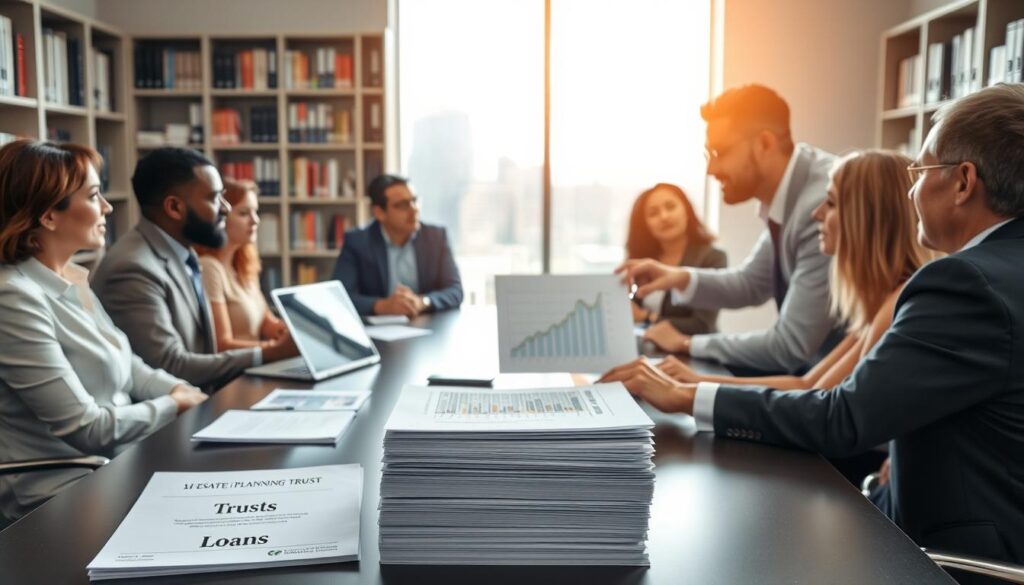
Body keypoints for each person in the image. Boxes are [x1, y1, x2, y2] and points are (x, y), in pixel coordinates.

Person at [602, 84, 1024, 564]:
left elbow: (843, 416)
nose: (911, 191)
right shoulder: (999, 272)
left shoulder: (962, 282)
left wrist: (687, 395)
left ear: (964, 182)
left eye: (920, 171)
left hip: (959, 560)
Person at [0, 140, 207, 523]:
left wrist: (180, 390)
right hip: (54, 498)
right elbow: (85, 427)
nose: (108, 207)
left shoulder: (71, 278)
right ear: (48, 216)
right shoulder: (13, 298)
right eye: (95, 196)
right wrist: (174, 405)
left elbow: (128, 365)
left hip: (109, 469)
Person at [658, 150, 931, 392]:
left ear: (869, 220)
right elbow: (808, 386)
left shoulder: (896, 306)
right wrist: (696, 383)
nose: (817, 214)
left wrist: (691, 390)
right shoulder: (877, 308)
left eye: (832, 203)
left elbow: (824, 412)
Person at [624, 84, 840, 375]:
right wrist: (677, 278)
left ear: (764, 144)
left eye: (720, 152)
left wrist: (688, 343)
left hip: (838, 391)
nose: (711, 169)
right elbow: (751, 283)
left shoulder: (817, 205)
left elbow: (790, 345)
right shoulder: (788, 195)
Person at [91, 148, 296, 391]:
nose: (225, 208)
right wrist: (270, 354)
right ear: (174, 208)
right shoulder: (132, 269)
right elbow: (170, 366)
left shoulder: (182, 253)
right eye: (214, 198)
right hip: (169, 421)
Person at [332, 174, 463, 317]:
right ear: (379, 213)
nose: (414, 210)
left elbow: (455, 291)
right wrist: (383, 306)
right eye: (402, 205)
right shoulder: (357, 242)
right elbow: (340, 296)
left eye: (415, 201)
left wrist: (422, 302)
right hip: (378, 332)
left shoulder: (436, 237)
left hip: (429, 327)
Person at [195, 178, 288, 352]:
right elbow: (222, 345)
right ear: (220, 216)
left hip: (259, 365)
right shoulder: (209, 268)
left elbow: (266, 324)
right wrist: (277, 349)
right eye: (244, 213)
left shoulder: (244, 265)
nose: (255, 221)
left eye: (256, 212)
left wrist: (293, 332)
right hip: (237, 374)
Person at [626, 183, 726, 335]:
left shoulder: (712, 258)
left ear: (687, 211)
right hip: (647, 350)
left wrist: (646, 317)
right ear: (645, 225)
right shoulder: (642, 262)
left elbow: (702, 325)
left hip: (691, 354)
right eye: (653, 213)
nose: (664, 217)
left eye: (671, 207)